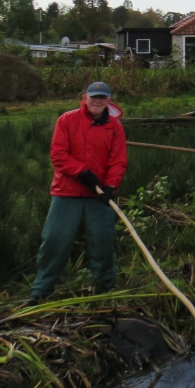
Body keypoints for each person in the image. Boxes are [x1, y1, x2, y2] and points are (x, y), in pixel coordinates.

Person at [27, 82, 127, 304]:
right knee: (55, 239)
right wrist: (82, 173)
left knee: (102, 241)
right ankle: (41, 289)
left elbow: (118, 161)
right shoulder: (67, 120)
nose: (97, 101)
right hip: (67, 191)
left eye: (102, 98)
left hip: (99, 196)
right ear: (84, 97)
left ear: (109, 101)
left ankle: (105, 291)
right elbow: (58, 155)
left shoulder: (115, 127)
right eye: (93, 97)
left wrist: (110, 186)